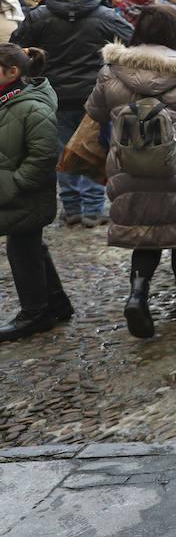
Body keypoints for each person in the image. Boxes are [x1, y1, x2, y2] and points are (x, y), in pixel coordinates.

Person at [84, 5, 176, 339]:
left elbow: (96, 112)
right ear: (173, 32)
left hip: (128, 162)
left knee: (145, 231)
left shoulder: (112, 69)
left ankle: (137, 294)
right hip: (175, 163)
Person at [12, 0, 133, 227]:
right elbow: (132, 41)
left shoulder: (40, 15)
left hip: (52, 92)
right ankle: (92, 208)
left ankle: (72, 207)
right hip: (96, 93)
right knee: (94, 147)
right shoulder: (105, 13)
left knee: (62, 150)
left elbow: (16, 47)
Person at [0, 44, 71, 342]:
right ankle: (55, 303)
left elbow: (43, 157)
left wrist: (13, 184)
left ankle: (35, 313)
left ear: (12, 72)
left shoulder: (31, 105)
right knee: (29, 245)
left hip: (25, 193)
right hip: (17, 192)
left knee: (22, 249)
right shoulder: (10, 99)